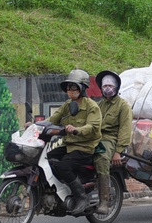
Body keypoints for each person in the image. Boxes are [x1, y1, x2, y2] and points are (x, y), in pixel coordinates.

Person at [45, 69, 102, 214]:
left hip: (85, 147)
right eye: (68, 87)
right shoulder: (67, 104)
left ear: (82, 88)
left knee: (64, 166)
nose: (70, 90)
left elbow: (93, 126)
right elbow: (53, 119)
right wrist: (34, 125)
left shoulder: (91, 106)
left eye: (73, 87)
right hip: (69, 145)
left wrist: (77, 129)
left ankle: (81, 197)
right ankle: (61, 191)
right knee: (48, 158)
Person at [92, 69, 132, 213]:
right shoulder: (99, 105)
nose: (107, 89)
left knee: (102, 159)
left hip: (110, 140)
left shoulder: (123, 106)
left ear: (116, 88)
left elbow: (125, 130)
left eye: (110, 86)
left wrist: (118, 152)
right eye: (104, 86)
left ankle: (104, 201)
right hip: (94, 139)